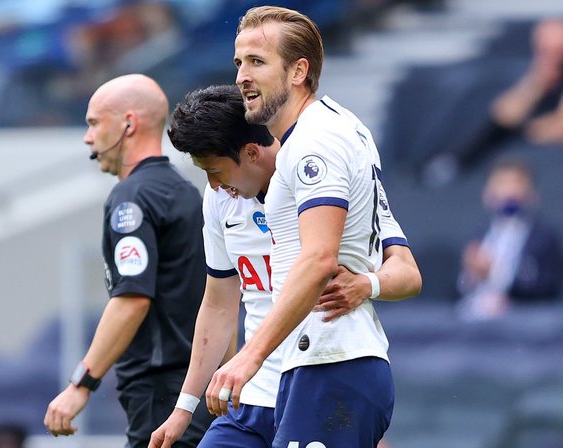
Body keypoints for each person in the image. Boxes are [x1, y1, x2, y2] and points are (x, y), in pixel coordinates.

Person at [148, 84, 421, 448]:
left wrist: (368, 283)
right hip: (252, 394)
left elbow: (408, 274)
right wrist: (184, 407)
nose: (213, 185)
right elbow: (218, 304)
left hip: (320, 373)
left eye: (215, 171)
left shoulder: (323, 168)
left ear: (250, 152)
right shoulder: (219, 202)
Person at [202, 6, 408, 447]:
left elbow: (318, 260)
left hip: (334, 362)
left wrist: (248, 357)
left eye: (257, 62)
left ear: (299, 71)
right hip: (317, 363)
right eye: (238, 62)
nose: (241, 76)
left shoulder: (316, 141)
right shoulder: (336, 128)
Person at [43, 74, 213, 448]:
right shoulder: (187, 192)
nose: (88, 138)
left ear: (129, 124)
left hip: (161, 393)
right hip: (194, 390)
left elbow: (133, 299)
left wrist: (80, 384)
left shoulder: (131, 198)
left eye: (93, 123)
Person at [422, 18, 563, 186]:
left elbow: (557, 130)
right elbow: (503, 115)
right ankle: (454, 163)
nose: (549, 54)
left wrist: (520, 130)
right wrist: (537, 83)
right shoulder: (538, 76)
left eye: (555, 49)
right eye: (543, 48)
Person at [456, 156, 562, 320]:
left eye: (517, 183)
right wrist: (472, 275)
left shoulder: (543, 237)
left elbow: (546, 287)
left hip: (524, 319)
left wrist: (495, 274)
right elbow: (458, 288)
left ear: (532, 194)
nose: (509, 191)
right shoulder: (477, 236)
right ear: (487, 194)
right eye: (500, 184)